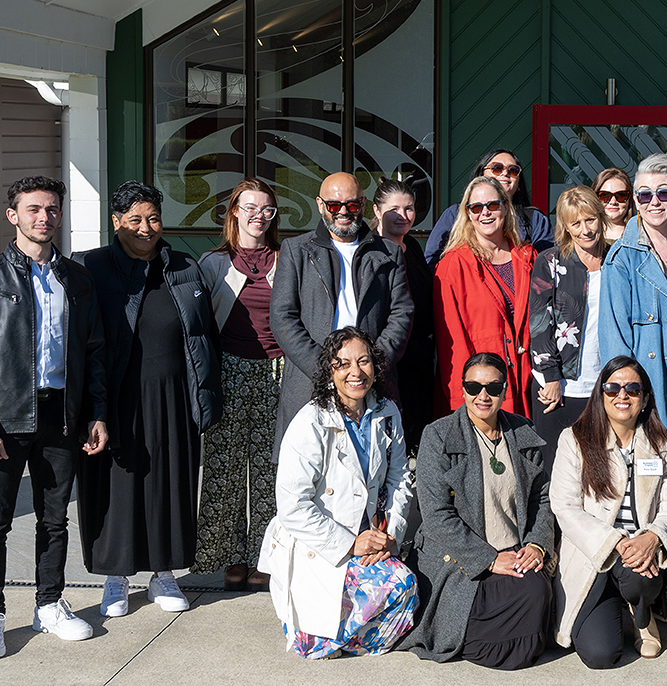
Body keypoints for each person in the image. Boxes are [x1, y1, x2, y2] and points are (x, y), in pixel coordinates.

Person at [0, 176, 108, 659]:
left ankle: (49, 604)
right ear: (13, 215)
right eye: (34, 209)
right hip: (4, 419)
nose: (44, 217)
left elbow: (94, 353)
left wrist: (95, 414)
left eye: (52, 209)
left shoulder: (77, 279)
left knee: (54, 519)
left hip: (60, 415)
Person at [75, 181, 222, 619]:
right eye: (135, 219)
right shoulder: (89, 266)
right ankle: (116, 577)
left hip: (173, 393)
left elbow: (203, 334)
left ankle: (163, 572)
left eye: (153, 218)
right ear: (116, 221)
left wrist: (204, 391)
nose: (146, 228)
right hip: (114, 394)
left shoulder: (182, 266)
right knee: (116, 486)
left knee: (170, 482)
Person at [259, 328, 418, 658]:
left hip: (367, 536)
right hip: (315, 545)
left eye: (363, 361)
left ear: (375, 366)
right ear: (330, 371)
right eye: (342, 363)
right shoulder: (310, 422)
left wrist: (388, 533)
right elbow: (292, 506)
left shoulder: (387, 414)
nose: (355, 372)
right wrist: (350, 543)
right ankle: (321, 634)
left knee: (404, 586)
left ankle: (340, 637)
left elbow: (400, 478)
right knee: (314, 646)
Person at [401, 352, 555, 669]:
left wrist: (538, 545)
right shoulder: (439, 435)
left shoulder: (521, 431)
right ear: (463, 390)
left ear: (504, 389)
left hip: (514, 549)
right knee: (488, 637)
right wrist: (489, 559)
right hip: (460, 555)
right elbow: (437, 515)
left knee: (536, 593)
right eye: (473, 386)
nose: (482, 395)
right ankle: (471, 635)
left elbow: (543, 496)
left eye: (492, 387)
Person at [551, 357, 667, 665]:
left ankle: (643, 615)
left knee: (638, 579)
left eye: (632, 388)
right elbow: (565, 507)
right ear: (600, 395)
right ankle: (620, 606)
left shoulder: (666, 448)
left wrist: (653, 537)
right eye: (612, 387)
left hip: (641, 557)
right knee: (600, 655)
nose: (622, 395)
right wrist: (614, 542)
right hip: (595, 555)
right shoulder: (574, 441)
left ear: (645, 398)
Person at [270, 171, 413, 462]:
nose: (343, 212)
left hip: (370, 382)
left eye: (351, 204)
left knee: (373, 470)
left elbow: (402, 312)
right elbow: (283, 317)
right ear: (321, 205)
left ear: (363, 204)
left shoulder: (388, 253)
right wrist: (325, 369)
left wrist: (371, 364)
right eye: (334, 205)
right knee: (311, 472)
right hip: (311, 382)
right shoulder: (296, 250)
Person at [194, 178, 285, 592]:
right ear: (233, 212)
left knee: (271, 468)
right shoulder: (214, 262)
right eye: (249, 207)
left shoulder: (287, 258)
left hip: (277, 371)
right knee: (226, 467)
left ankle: (263, 556)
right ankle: (230, 555)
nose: (258, 216)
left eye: (266, 208)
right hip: (228, 369)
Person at [596, 153, 667, 425]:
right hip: (648, 385)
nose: (654, 202)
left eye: (663, 193)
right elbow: (614, 338)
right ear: (635, 201)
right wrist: (625, 395)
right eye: (644, 195)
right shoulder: (621, 258)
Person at [433, 177, 537, 419]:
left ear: (505, 207)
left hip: (529, 384)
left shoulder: (529, 258)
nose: (485, 213)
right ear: (467, 214)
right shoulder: (452, 266)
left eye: (493, 205)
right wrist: (464, 399)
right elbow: (452, 344)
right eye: (476, 208)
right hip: (483, 392)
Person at [527, 186, 611, 467]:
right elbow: (539, 322)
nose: (586, 230)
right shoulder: (550, 261)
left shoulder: (618, 260)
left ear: (601, 218)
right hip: (559, 386)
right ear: (566, 227)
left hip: (602, 383)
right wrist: (550, 376)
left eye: (590, 220)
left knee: (596, 468)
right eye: (576, 223)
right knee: (554, 470)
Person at [371, 176, 435, 450]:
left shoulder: (415, 247)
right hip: (390, 359)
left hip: (420, 358)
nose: (403, 216)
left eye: (408, 208)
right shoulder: (370, 250)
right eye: (394, 209)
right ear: (376, 210)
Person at [426, 149, 552, 261]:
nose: (505, 173)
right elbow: (433, 260)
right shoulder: (455, 214)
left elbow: (546, 267)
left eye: (513, 170)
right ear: (481, 174)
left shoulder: (534, 219)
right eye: (497, 168)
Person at [593, 167, 634, 243]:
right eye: (605, 196)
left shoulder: (641, 234)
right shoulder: (585, 234)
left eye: (621, 195)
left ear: (630, 198)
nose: (613, 202)